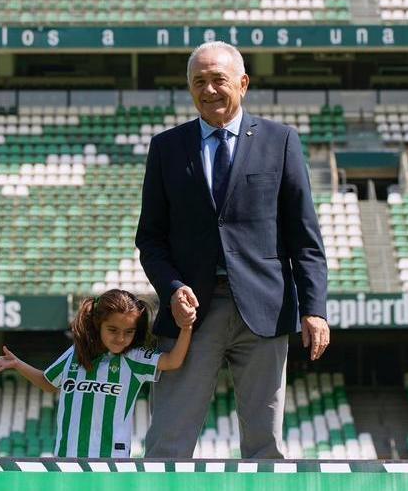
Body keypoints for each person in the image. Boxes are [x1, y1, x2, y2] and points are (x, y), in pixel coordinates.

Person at [135, 40, 330, 459]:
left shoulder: (281, 141)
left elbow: (304, 237)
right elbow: (150, 238)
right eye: (198, 82)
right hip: (189, 315)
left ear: (242, 83)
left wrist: (314, 309)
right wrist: (172, 289)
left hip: (264, 309)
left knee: (266, 446)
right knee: (167, 441)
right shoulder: (166, 147)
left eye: (218, 80)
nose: (208, 90)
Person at [0, 288, 193, 458]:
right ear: (97, 325)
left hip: (112, 461)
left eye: (128, 332)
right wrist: (19, 365)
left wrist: (186, 327)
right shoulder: (75, 353)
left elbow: (173, 361)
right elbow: (49, 383)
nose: (121, 338)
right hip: (68, 458)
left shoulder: (135, 358)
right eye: (113, 330)